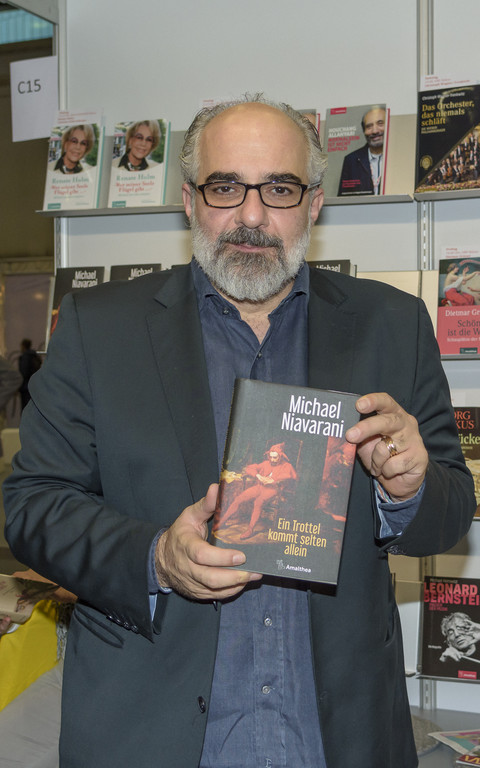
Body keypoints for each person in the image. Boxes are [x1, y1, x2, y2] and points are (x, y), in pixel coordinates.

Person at [3, 95, 476, 768]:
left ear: (314, 203)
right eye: (226, 187)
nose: (251, 216)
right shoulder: (98, 327)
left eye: (278, 189)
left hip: (336, 738)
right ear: (190, 201)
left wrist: (409, 488)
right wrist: (156, 558)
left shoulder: (391, 325)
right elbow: (33, 505)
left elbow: (449, 513)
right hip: (151, 735)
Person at [214, 442, 297, 539]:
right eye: (270, 457)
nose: (272, 460)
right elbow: (249, 468)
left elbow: (290, 476)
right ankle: (222, 522)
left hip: (273, 489)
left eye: (275, 457)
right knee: (239, 498)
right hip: (259, 487)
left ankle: (250, 529)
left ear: (280, 456)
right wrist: (258, 475)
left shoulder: (287, 465)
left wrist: (274, 480)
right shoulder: (266, 463)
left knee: (258, 502)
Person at [338, 105, 386, 195]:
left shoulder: (400, 157)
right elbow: (343, 198)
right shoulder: (351, 160)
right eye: (369, 126)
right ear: (364, 131)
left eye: (380, 124)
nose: (375, 131)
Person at [18, 339, 42, 410]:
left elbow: (24, 372)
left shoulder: (25, 357)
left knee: (25, 408)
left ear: (23, 346)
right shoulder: (35, 356)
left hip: (25, 387)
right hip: (34, 385)